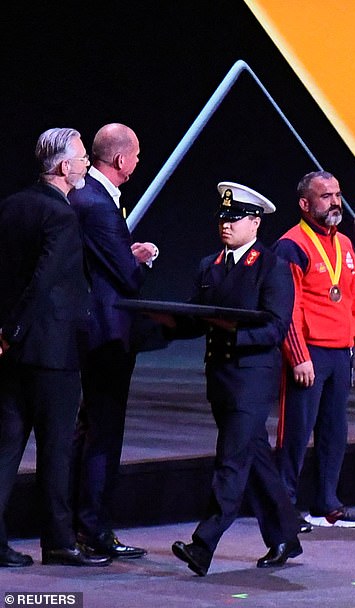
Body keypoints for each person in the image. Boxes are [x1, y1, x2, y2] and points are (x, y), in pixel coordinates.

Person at [169, 182, 302, 575]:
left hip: (251, 379)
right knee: (254, 458)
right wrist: (156, 326)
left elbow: (277, 328)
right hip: (221, 377)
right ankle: (285, 536)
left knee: (231, 461)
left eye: (235, 218)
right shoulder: (209, 265)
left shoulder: (271, 266)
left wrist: (234, 334)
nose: (225, 225)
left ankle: (203, 545)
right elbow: (195, 318)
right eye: (223, 218)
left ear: (255, 222)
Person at [0, 128, 110, 567]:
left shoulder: (9, 206)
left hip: (11, 354)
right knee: (56, 450)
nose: (86, 165)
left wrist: (5, 334)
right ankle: (59, 543)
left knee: (6, 449)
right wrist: (16, 328)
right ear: (65, 167)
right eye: (83, 158)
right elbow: (45, 280)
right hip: (50, 353)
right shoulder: (62, 217)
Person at [70, 123, 158, 559]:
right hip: (105, 332)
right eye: (137, 155)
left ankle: (87, 526)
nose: (139, 162)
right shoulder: (98, 203)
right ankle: (93, 529)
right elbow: (123, 275)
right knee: (103, 432)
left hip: (96, 329)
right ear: (121, 160)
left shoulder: (92, 198)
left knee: (92, 429)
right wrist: (139, 259)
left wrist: (125, 254)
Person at [273, 171, 355, 528]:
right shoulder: (291, 245)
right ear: (305, 204)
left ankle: (326, 501)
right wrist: (299, 356)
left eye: (337, 194)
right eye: (325, 196)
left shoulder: (345, 245)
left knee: (333, 431)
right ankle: (284, 508)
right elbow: (288, 308)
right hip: (309, 354)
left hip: (340, 352)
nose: (334, 202)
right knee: (296, 434)